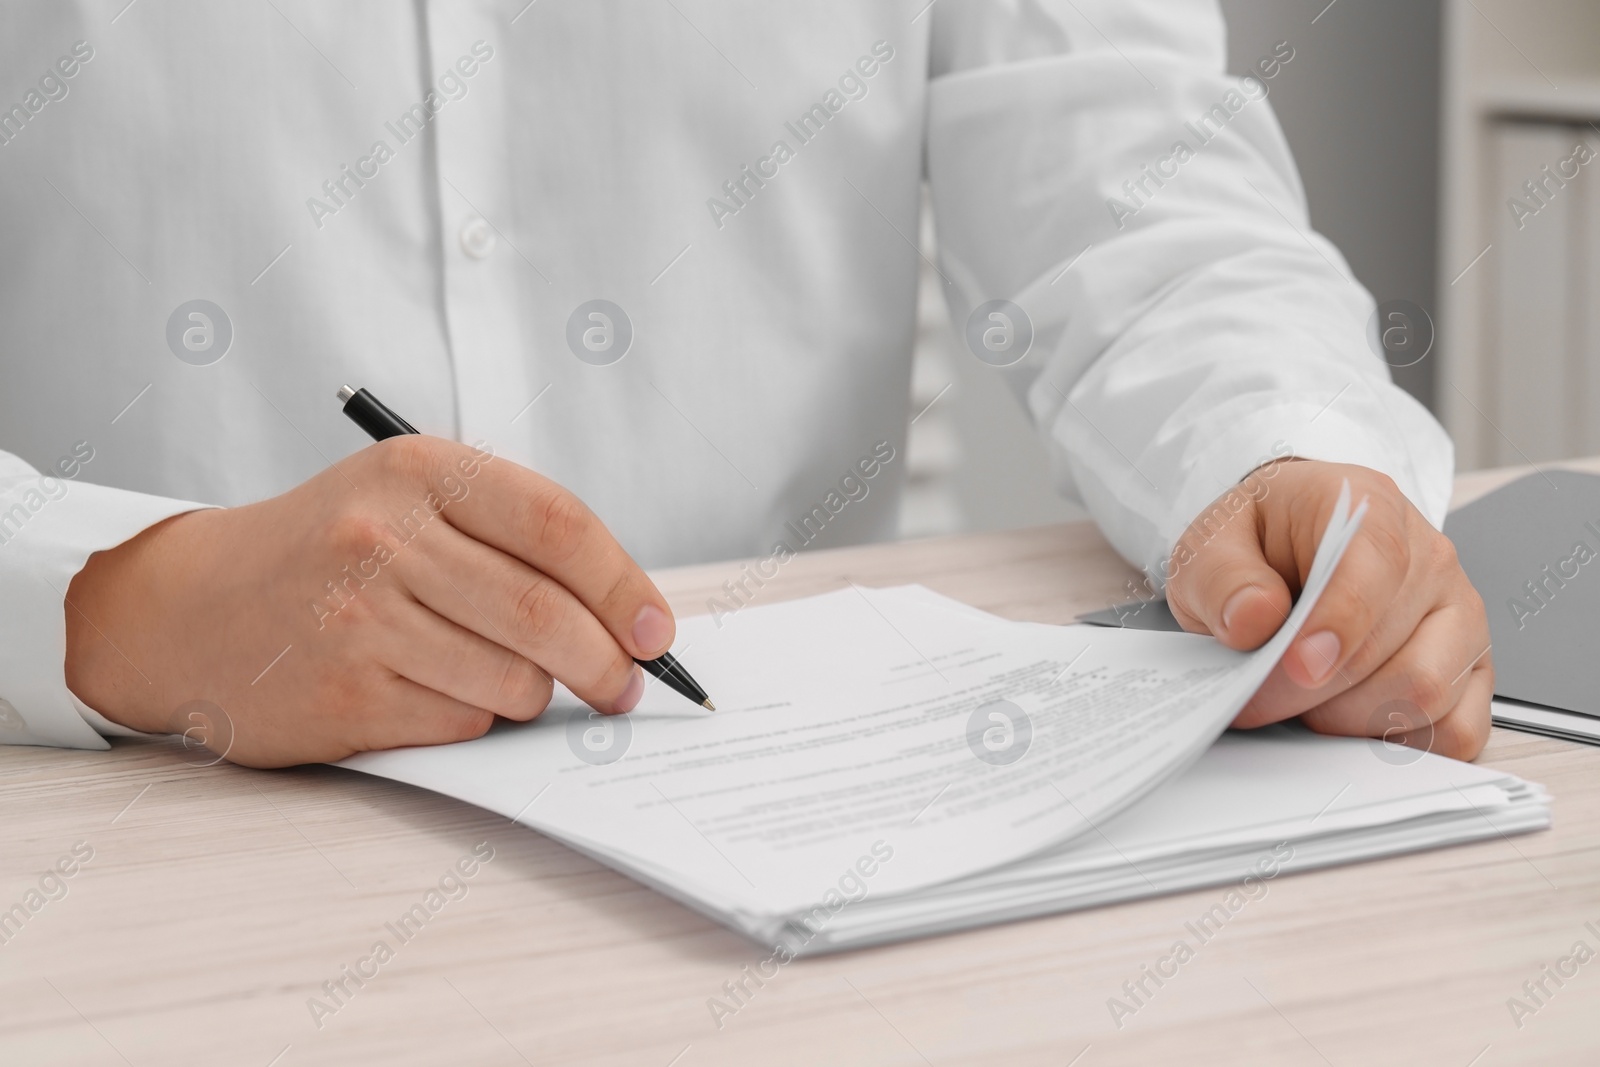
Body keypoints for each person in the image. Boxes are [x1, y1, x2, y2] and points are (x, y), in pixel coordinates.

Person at [0, 2, 1488, 767]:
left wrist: (1276, 446)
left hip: (765, 817)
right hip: (123, 814)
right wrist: (120, 603)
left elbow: (1127, 175)